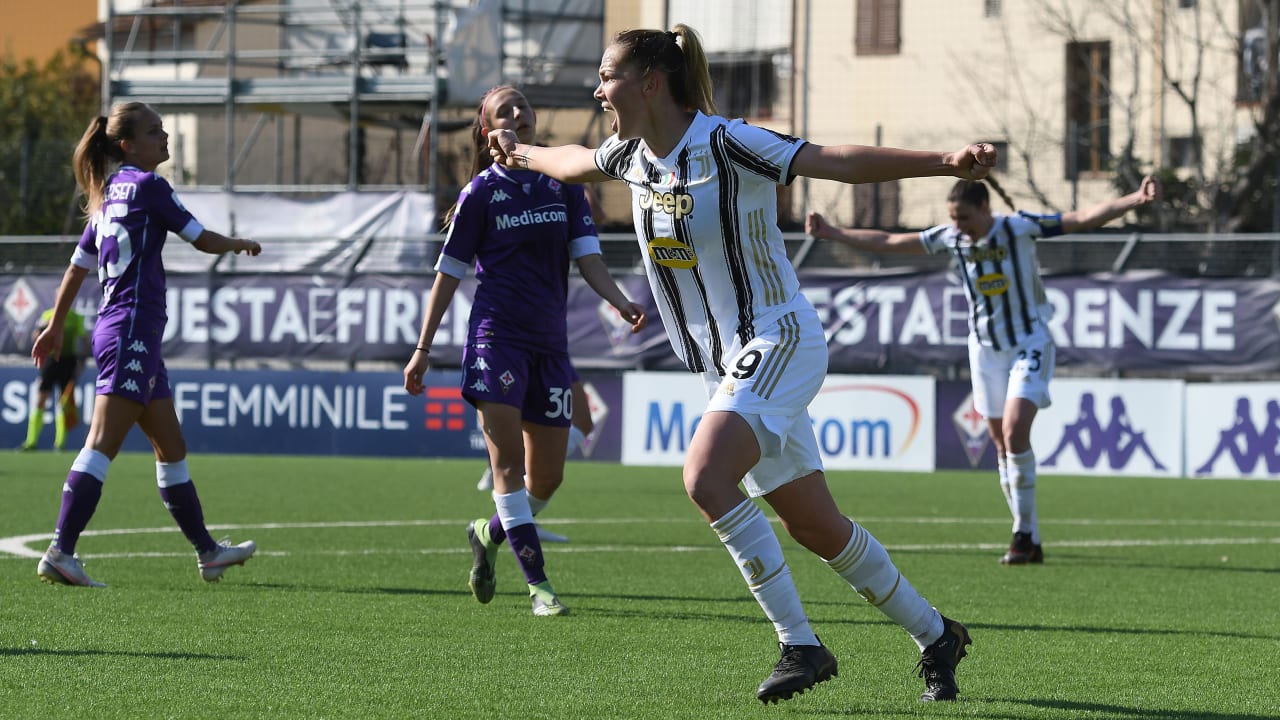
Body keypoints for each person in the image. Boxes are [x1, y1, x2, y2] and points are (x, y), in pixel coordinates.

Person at [488, 24, 990, 703]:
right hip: (727, 367)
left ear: (649, 83)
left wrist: (944, 162)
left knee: (704, 475)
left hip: (780, 340)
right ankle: (937, 634)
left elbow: (837, 160)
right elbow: (575, 162)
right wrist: (521, 154)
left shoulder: (727, 142)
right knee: (816, 526)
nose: (598, 89)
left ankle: (800, 644)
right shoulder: (632, 157)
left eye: (607, 77)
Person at [807, 174, 1160, 566]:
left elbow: (1082, 218)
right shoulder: (952, 238)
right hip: (985, 350)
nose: (958, 226)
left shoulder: (1019, 228)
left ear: (985, 209)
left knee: (1014, 431)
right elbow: (891, 242)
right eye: (953, 218)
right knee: (1000, 443)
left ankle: (1022, 534)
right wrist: (833, 232)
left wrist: (1133, 200)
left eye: (964, 217)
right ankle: (1030, 533)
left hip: (1029, 342)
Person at [403, 85, 646, 617]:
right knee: (508, 466)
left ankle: (486, 534)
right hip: (497, 340)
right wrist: (423, 348)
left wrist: (623, 301)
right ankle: (540, 588)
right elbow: (447, 274)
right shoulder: (480, 194)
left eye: (523, 107)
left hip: (550, 347)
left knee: (549, 478)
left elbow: (589, 260)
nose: (518, 114)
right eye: (503, 110)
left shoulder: (564, 189)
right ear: (488, 132)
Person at [31, 101, 260, 588]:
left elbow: (77, 267)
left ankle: (208, 552)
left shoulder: (108, 193)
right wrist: (238, 243)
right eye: (155, 132)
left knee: (171, 447)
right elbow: (199, 239)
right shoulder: (149, 186)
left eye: (164, 131)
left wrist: (55, 326)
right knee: (101, 444)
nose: (165, 138)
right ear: (127, 145)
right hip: (132, 329)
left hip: (126, 331)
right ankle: (60, 549)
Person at [20, 307, 88, 451]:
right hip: (51, 361)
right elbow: (36, 336)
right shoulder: (47, 314)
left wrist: (81, 362)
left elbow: (84, 340)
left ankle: (60, 444)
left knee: (64, 402)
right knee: (41, 399)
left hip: (68, 361)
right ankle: (31, 441)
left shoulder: (76, 317)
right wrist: (42, 330)